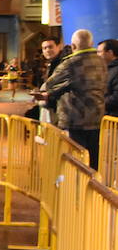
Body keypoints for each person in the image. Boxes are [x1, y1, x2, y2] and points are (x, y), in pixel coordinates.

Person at [39, 28, 107, 168]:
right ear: (91, 43)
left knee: (75, 160)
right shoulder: (101, 62)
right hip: (97, 118)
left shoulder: (71, 63)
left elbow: (49, 84)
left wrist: (49, 93)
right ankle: (91, 188)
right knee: (93, 160)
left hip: (75, 120)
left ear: (73, 46)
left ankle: (76, 189)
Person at [102, 38, 118, 118]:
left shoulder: (115, 71)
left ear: (110, 53)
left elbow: (116, 98)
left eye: (99, 52)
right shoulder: (107, 69)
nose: (97, 55)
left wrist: (98, 103)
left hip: (113, 119)